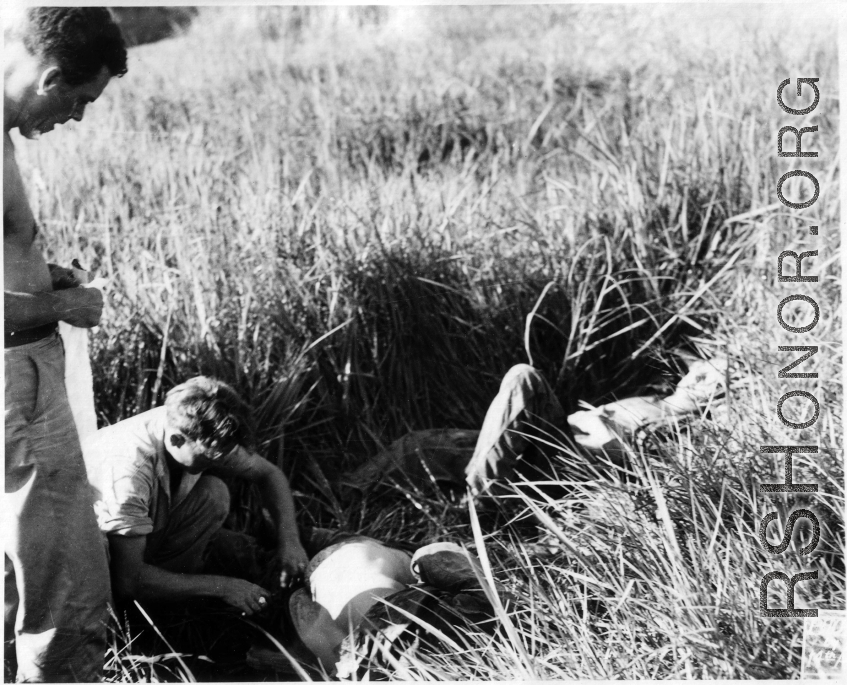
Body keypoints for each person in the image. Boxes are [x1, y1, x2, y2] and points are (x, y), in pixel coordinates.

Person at [4, 8, 127, 681]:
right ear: (51, 74)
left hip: (22, 364)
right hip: (10, 376)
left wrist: (38, 277)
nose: (76, 117)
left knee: (16, 564)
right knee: (63, 567)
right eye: (79, 99)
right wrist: (62, 304)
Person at [82, 377, 310, 619]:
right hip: (98, 571)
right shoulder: (128, 475)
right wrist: (222, 587)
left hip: (142, 541)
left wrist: (290, 540)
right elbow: (128, 581)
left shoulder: (197, 428)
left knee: (213, 493)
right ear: (176, 440)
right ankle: (153, 621)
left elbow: (268, 474)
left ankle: (175, 599)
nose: (223, 463)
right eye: (211, 459)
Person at [343, 357, 728, 498]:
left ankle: (478, 497)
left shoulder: (689, 424)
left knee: (523, 377)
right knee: (422, 444)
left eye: (712, 379)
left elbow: (655, 468)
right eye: (700, 369)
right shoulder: (649, 397)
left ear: (719, 395)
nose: (698, 378)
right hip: (549, 442)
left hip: (577, 462)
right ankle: (346, 492)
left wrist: (602, 427)